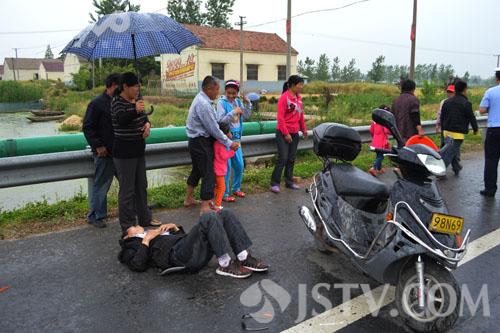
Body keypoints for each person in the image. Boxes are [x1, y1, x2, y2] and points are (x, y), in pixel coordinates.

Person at [118, 209, 269, 279]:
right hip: (178, 256)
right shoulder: (131, 246)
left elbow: (182, 239)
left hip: (187, 247)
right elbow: (137, 265)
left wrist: (174, 228)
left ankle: (243, 257)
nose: (137, 225)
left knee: (225, 213)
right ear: (127, 237)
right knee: (208, 217)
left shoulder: (151, 232)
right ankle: (225, 264)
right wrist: (146, 240)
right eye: (133, 227)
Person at [111, 72, 160, 233]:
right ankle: (128, 225)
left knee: (141, 186)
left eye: (139, 87)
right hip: (125, 152)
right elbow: (121, 119)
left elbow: (144, 118)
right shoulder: (117, 101)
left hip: (139, 150)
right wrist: (134, 109)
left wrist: (148, 125)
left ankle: (145, 218)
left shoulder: (137, 100)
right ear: (125, 86)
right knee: (127, 190)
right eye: (135, 87)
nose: (137, 90)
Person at [185, 76, 240, 214]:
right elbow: (214, 129)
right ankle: (205, 206)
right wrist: (229, 142)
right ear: (209, 89)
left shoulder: (201, 99)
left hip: (195, 141)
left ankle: (188, 199)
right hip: (201, 142)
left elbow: (216, 122)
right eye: (216, 89)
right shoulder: (203, 104)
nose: (218, 92)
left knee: (197, 171)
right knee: (209, 173)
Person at [82, 73, 121, 228]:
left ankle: (131, 211)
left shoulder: (119, 102)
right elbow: (87, 127)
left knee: (127, 184)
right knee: (102, 185)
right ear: (112, 85)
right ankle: (95, 215)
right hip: (105, 153)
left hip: (120, 152)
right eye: (119, 86)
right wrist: (98, 145)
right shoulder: (97, 103)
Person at [216, 79, 252, 202]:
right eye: (229, 93)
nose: (231, 95)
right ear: (225, 91)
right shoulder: (221, 103)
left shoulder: (238, 102)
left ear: (237, 92)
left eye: (234, 93)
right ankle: (225, 194)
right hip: (226, 140)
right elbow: (220, 120)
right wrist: (233, 112)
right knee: (227, 167)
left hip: (237, 139)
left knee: (240, 165)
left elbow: (246, 115)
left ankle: (236, 188)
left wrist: (247, 103)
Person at [270, 75, 307, 193]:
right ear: (292, 85)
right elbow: (280, 118)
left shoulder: (298, 98)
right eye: (299, 84)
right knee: (283, 158)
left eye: (302, 84)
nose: (301, 87)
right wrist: (286, 134)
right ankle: (274, 183)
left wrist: (304, 129)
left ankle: (289, 181)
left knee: (291, 158)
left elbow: (300, 115)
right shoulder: (284, 98)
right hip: (283, 133)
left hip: (295, 132)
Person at [440, 80, 478, 176]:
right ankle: (439, 172)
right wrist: (475, 129)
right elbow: (471, 117)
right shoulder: (466, 103)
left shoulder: (447, 102)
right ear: (464, 90)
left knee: (452, 151)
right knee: (450, 153)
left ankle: (456, 167)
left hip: (446, 132)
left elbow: (442, 117)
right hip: (457, 134)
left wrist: (443, 129)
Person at [479, 68, 500, 197]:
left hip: (494, 130)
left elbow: (481, 110)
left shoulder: (491, 92)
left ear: (497, 78)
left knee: (491, 160)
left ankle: (490, 189)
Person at [213, 122, 237, 211]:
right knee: (222, 187)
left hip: (216, 169)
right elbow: (223, 156)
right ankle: (217, 205)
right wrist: (232, 151)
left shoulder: (216, 142)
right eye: (229, 132)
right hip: (219, 170)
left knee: (216, 187)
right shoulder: (220, 144)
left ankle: (211, 202)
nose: (230, 134)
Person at [392, 79, 425, 143]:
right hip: (410, 135)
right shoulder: (413, 99)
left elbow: (392, 116)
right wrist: (420, 129)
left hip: (398, 135)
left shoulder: (396, 100)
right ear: (413, 89)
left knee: (401, 152)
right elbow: (415, 115)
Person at [369, 105, 392, 177]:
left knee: (379, 155)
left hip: (375, 142)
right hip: (382, 143)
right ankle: (374, 168)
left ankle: (379, 168)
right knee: (381, 156)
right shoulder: (383, 122)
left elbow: (371, 130)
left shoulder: (375, 121)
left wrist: (374, 138)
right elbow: (386, 131)